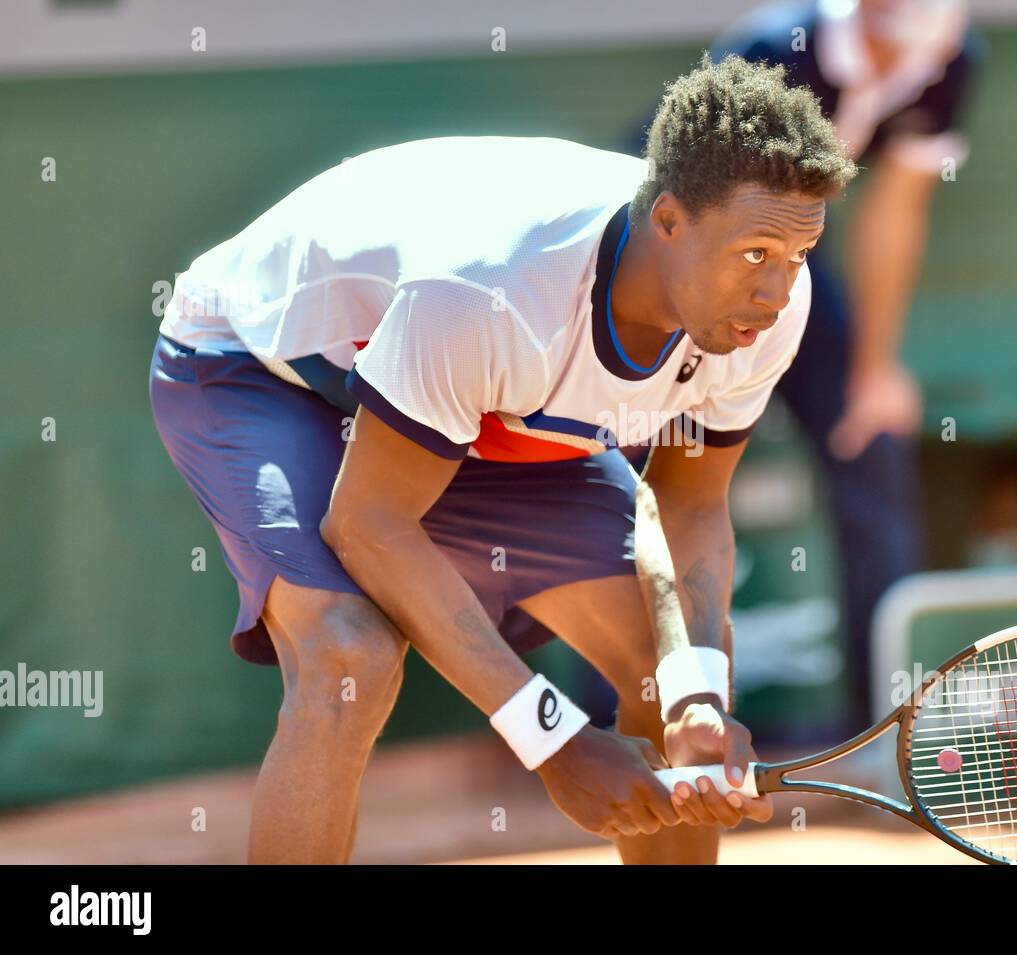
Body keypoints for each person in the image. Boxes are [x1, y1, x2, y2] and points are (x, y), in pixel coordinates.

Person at [148, 53, 857, 863]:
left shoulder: (768, 312)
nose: (777, 292)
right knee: (351, 658)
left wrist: (695, 693)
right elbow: (371, 523)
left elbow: (690, 503)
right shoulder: (493, 291)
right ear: (668, 220)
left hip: (467, 403)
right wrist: (552, 739)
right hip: (261, 366)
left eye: (798, 255)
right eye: (756, 254)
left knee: (662, 673)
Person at [617, 0, 982, 733]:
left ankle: (889, 720)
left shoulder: (950, 59)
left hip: (780, 258)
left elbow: (893, 210)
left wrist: (872, 372)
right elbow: (708, 216)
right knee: (622, 471)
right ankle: (619, 718)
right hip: (667, 257)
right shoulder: (772, 49)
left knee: (868, 435)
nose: (901, 63)